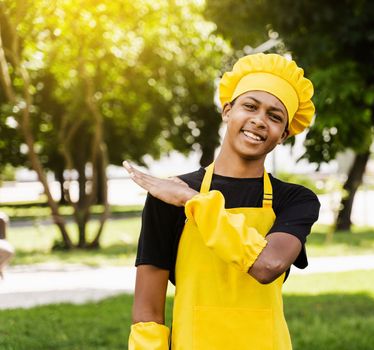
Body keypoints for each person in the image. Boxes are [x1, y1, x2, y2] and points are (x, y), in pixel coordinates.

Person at [125, 53, 320, 350]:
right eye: (250, 106)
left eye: (274, 116)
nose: (259, 120)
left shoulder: (294, 200)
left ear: (283, 134)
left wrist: (195, 201)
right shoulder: (168, 197)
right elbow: (148, 311)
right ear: (228, 111)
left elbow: (268, 265)